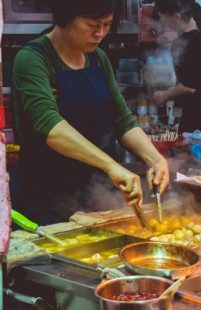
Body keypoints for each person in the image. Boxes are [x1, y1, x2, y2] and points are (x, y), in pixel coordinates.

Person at [11, 0, 169, 224]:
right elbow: (50, 126)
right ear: (66, 16)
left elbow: (122, 120)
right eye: (92, 24)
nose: (101, 33)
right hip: (46, 199)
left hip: (96, 197)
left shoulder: (99, 59)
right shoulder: (32, 59)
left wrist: (155, 159)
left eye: (107, 24)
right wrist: (111, 166)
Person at [152, 0, 201, 133]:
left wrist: (164, 95)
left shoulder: (188, 42)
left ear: (176, 17)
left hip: (197, 120)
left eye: (163, 19)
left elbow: (189, 86)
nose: (163, 25)